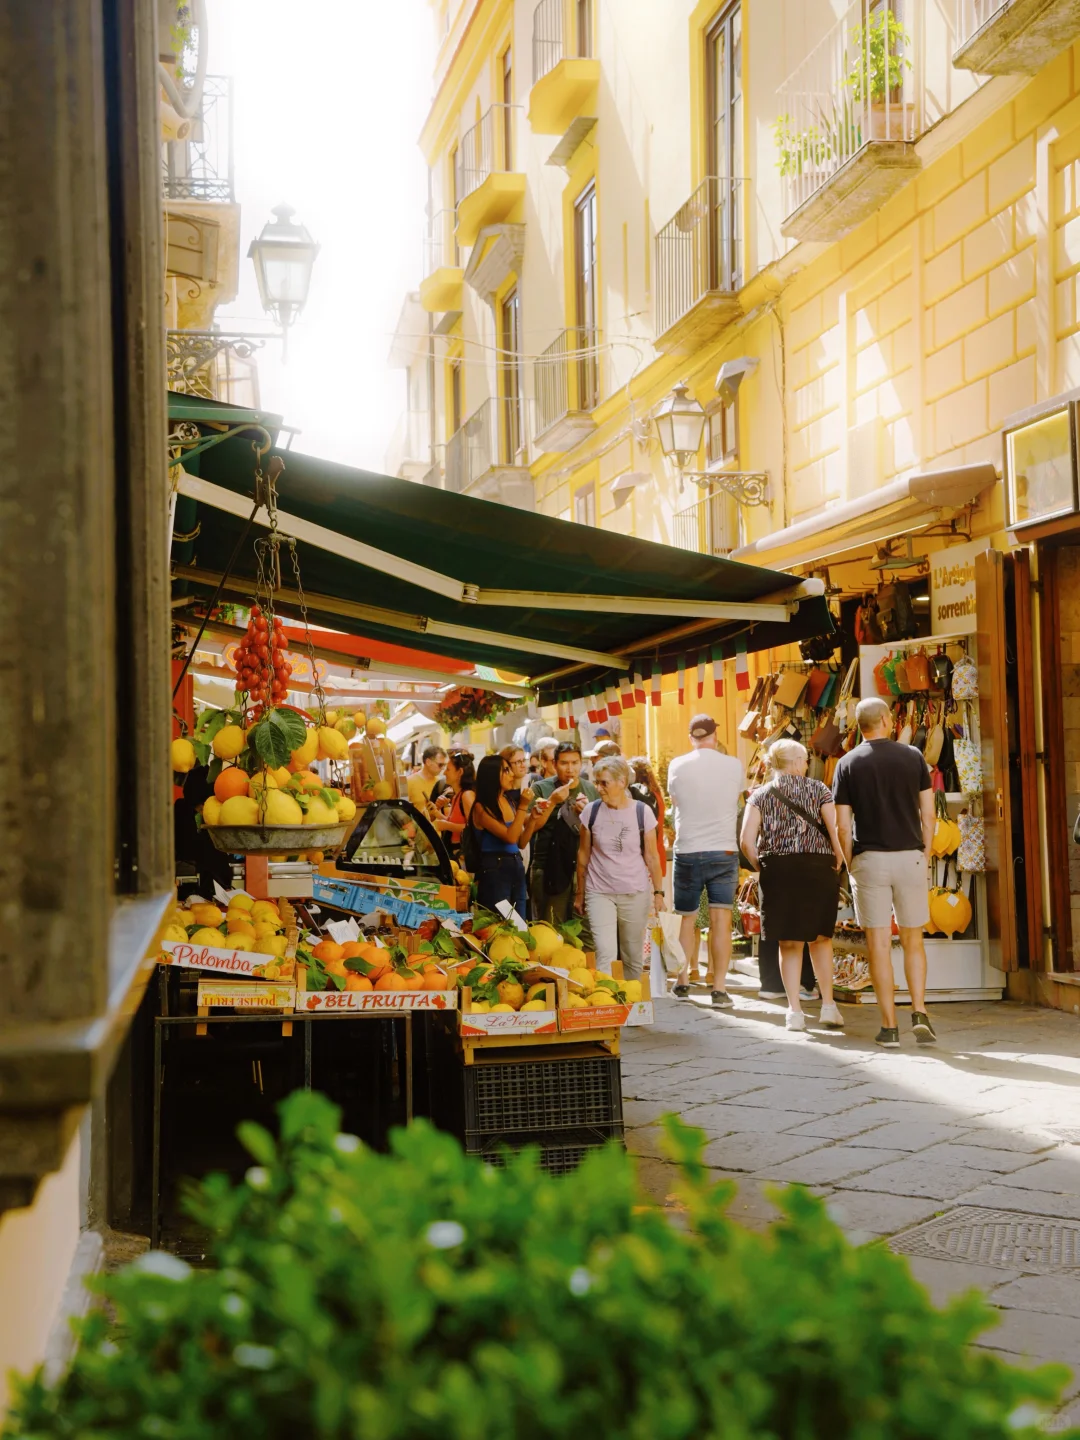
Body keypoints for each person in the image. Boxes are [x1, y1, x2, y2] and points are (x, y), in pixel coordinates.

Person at [832, 696, 937, 1048]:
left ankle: (889, 1027)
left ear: (859, 726)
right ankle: (920, 1011)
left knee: (878, 944)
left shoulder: (847, 763)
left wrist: (849, 862)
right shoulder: (913, 757)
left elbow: (843, 827)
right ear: (888, 720)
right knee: (913, 939)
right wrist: (926, 850)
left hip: (870, 859)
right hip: (910, 856)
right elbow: (928, 815)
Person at [739, 739, 846, 1033]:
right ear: (799, 762)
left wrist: (762, 865)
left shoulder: (759, 795)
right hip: (817, 866)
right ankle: (828, 1006)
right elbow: (833, 829)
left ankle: (794, 1013)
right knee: (820, 938)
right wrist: (837, 858)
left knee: (788, 942)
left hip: (779, 868)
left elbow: (746, 842)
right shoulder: (819, 789)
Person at [666, 714, 744, 1008]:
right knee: (720, 921)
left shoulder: (677, 765)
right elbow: (735, 800)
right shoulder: (734, 764)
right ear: (715, 735)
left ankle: (683, 980)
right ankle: (719, 988)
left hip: (687, 849)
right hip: (723, 850)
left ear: (691, 737)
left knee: (686, 920)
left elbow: (675, 801)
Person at [574, 756, 664, 979]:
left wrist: (659, 893)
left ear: (622, 782)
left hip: (634, 891)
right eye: (597, 782)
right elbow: (583, 854)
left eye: (604, 782)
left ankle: (633, 1005)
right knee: (605, 953)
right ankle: (607, 1004)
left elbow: (652, 856)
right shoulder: (591, 812)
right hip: (599, 891)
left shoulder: (642, 812)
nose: (598, 788)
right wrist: (580, 893)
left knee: (632, 955)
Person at [469, 754, 550, 919]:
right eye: (506, 770)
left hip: (516, 864)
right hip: (495, 868)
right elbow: (510, 837)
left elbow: (521, 842)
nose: (512, 774)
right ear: (492, 775)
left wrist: (533, 818)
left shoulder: (508, 801)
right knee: (500, 920)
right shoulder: (481, 807)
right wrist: (524, 805)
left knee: (519, 919)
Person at [529, 741, 598, 924]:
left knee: (582, 929)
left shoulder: (590, 789)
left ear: (581, 763)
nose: (570, 769)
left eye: (575, 763)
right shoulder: (540, 788)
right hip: (548, 866)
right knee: (549, 928)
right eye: (564, 763)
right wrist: (552, 801)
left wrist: (587, 815)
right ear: (554, 764)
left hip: (582, 869)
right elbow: (530, 828)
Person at [432, 751, 476, 857]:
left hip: (463, 853)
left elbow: (474, 828)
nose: (444, 773)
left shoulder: (467, 795)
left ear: (459, 772)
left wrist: (447, 825)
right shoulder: (457, 795)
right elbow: (456, 821)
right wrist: (438, 814)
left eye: (448, 769)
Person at [407, 746, 447, 815]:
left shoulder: (441, 783)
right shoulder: (409, 782)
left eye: (444, 765)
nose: (443, 768)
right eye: (440, 765)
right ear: (428, 762)